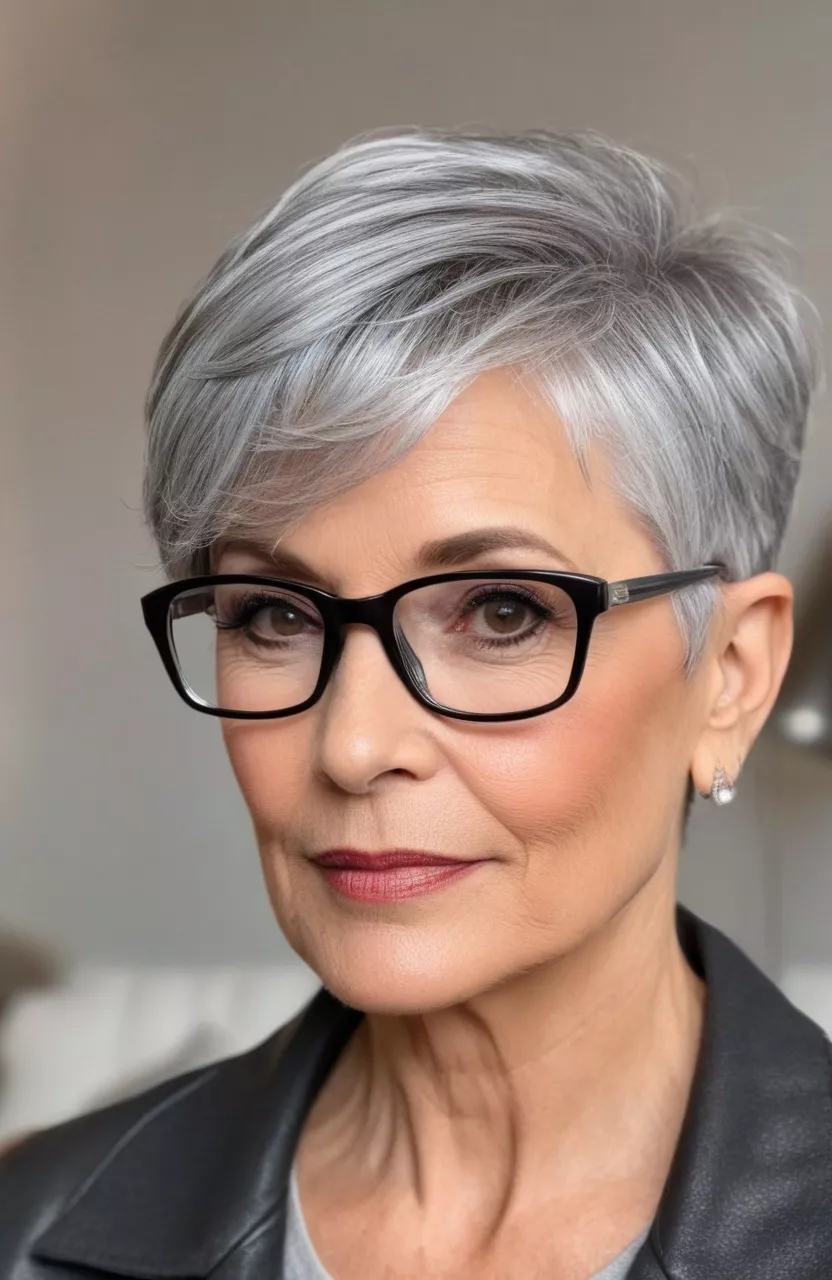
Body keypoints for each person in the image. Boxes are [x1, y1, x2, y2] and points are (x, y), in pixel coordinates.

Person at [2, 127, 828, 1280]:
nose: (353, 744)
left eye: (500, 612)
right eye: (273, 615)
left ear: (731, 675)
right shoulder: (30, 1229)